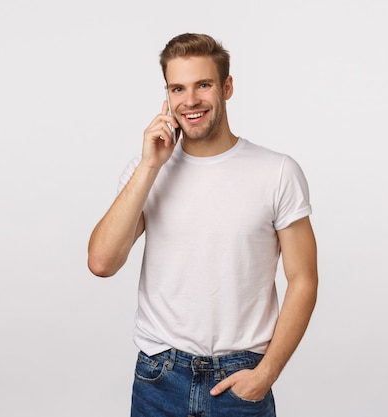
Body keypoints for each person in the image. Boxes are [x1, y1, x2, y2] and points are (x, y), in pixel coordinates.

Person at [88, 33, 318, 417]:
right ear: (167, 94)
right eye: (178, 88)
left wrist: (265, 374)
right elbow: (102, 263)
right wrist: (150, 166)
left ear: (226, 87)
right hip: (159, 378)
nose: (190, 100)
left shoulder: (277, 172)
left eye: (203, 85)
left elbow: (304, 279)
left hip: (239, 376)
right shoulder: (146, 171)